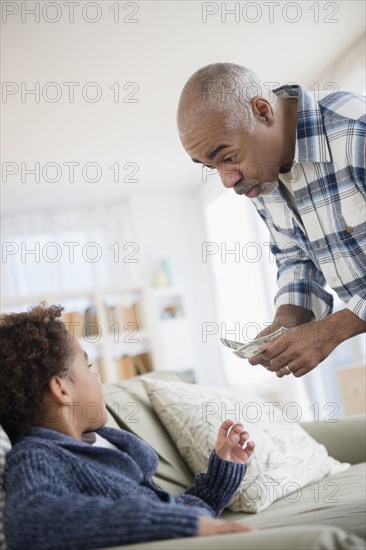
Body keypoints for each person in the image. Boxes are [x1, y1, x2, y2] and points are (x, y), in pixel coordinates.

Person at [0, 304, 255, 550]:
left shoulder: (102, 442)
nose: (99, 378)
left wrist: (220, 477)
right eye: (89, 367)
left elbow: (176, 513)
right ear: (61, 389)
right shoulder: (36, 456)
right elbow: (31, 522)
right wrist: (170, 524)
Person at [177, 63, 366, 378]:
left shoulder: (356, 130)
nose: (226, 180)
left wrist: (331, 332)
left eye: (228, 157)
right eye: (212, 166)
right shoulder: (262, 174)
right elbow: (296, 257)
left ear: (263, 112)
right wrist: (286, 321)